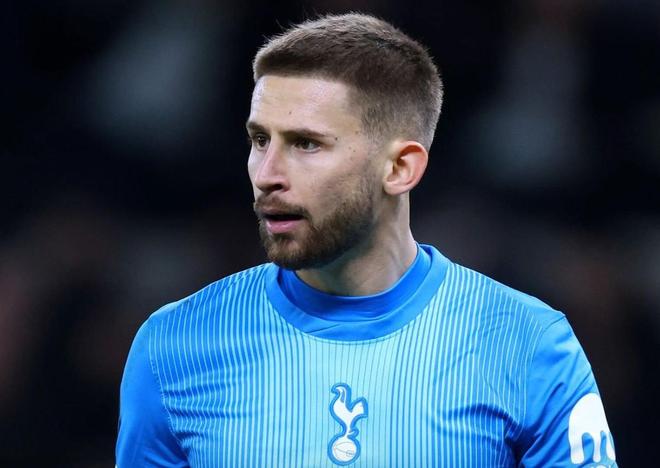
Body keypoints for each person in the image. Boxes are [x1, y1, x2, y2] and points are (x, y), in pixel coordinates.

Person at [116, 13, 617, 467]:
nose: (267, 174)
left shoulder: (529, 344)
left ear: (400, 168)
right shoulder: (173, 346)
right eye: (260, 140)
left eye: (306, 143)